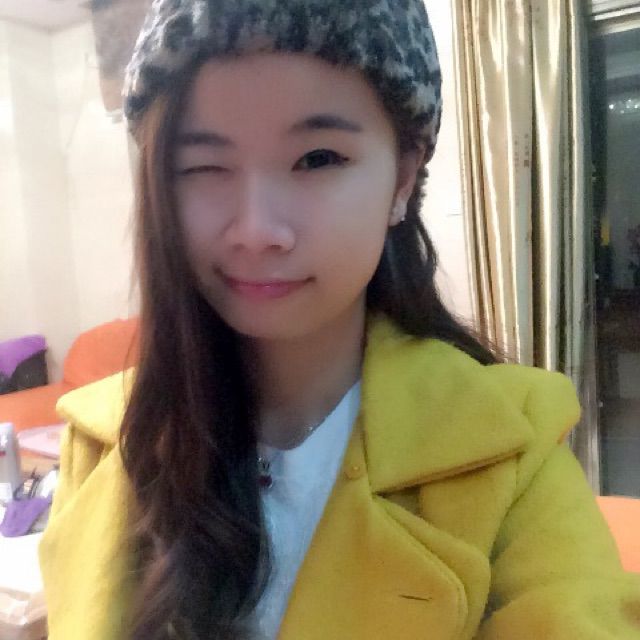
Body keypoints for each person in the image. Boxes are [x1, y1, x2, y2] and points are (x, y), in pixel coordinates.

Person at [38, 1, 640, 639]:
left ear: (402, 179)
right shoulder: (107, 440)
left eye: (318, 158)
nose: (256, 230)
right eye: (204, 166)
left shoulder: (511, 447)